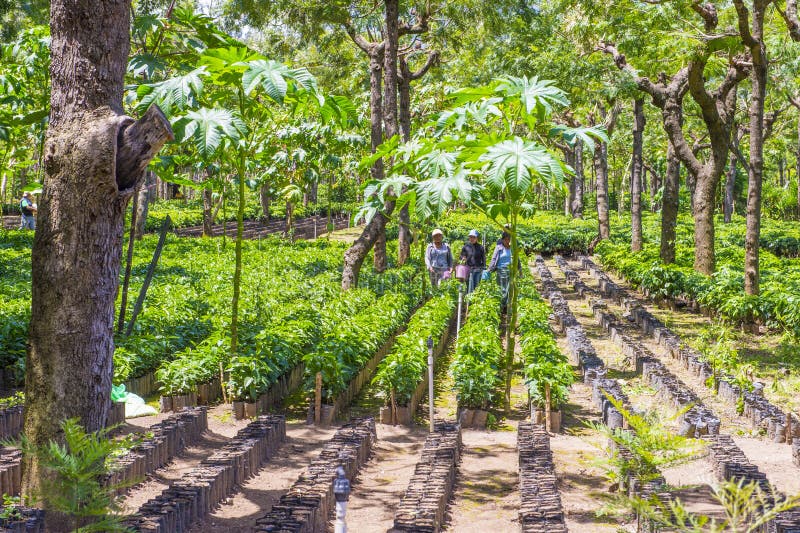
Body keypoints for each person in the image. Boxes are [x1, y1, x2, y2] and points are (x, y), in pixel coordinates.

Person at [489, 232, 513, 309]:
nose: (507, 241)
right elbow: (494, 258)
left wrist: (520, 270)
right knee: (503, 289)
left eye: (509, 239)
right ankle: (503, 305)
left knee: (509, 288)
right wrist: (490, 268)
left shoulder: (512, 248)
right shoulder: (499, 247)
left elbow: (517, 260)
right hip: (501, 269)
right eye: (506, 239)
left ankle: (507, 305)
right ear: (502, 240)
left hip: (511, 270)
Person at [459, 229, 486, 293]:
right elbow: (461, 256)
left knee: (476, 286)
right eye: (471, 237)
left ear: (477, 238)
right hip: (468, 269)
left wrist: (484, 267)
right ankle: (468, 300)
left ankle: (475, 301)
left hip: (478, 269)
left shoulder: (480, 247)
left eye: (474, 237)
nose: (472, 239)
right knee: (469, 285)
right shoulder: (466, 247)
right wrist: (463, 258)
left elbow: (484, 258)